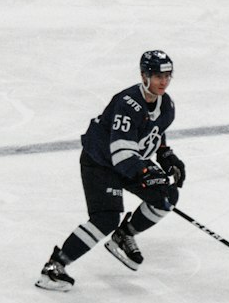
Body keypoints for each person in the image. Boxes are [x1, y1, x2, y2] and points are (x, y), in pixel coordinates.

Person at [36, 48, 185, 289]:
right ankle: (54, 267)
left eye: (168, 76)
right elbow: (122, 155)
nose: (164, 82)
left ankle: (124, 235)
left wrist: (166, 156)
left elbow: (154, 133)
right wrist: (147, 173)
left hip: (129, 161)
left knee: (166, 195)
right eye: (158, 76)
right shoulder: (127, 103)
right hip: (101, 162)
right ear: (143, 75)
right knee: (105, 218)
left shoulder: (166, 105)